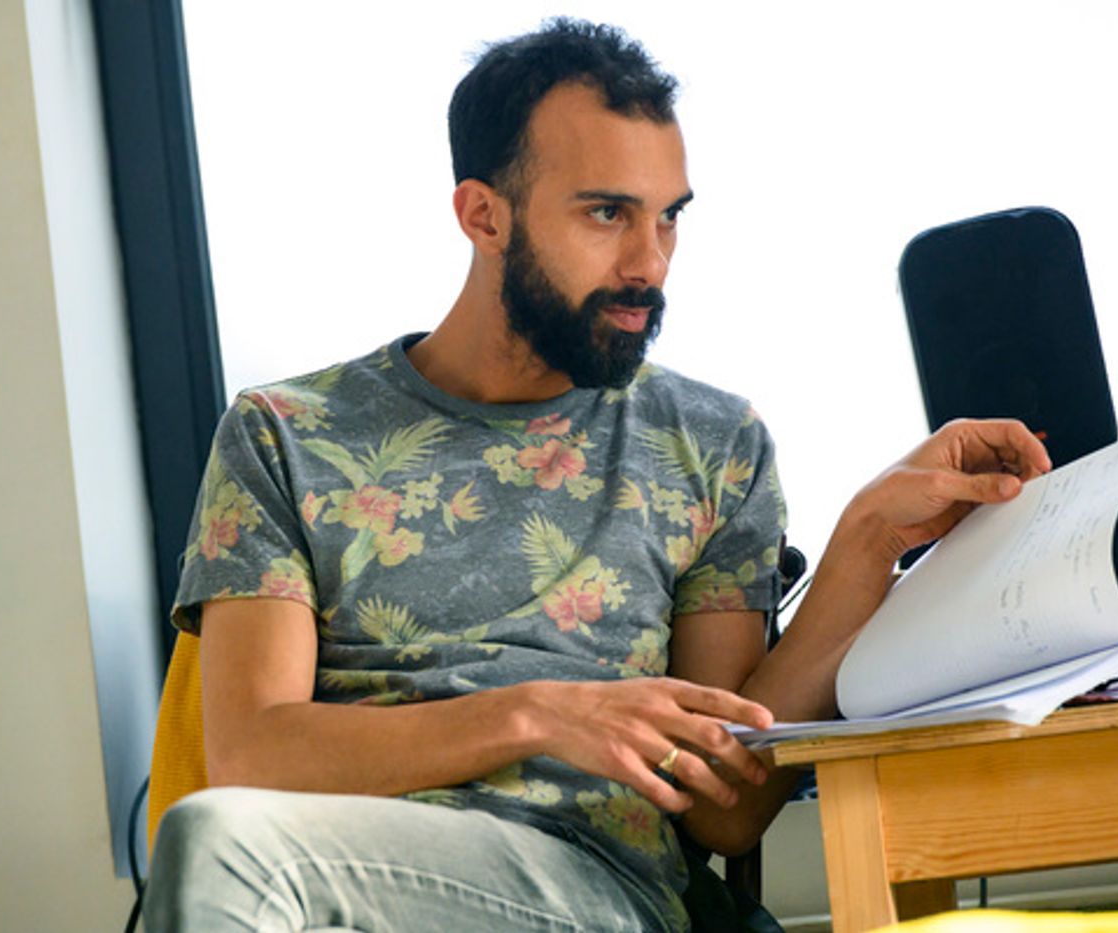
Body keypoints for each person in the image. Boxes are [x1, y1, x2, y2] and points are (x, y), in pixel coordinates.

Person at [142, 18, 1051, 933]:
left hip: (588, 892)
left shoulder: (708, 443)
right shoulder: (285, 436)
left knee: (228, 848)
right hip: (320, 872)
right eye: (606, 213)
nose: (649, 264)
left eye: (670, 217)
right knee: (221, 839)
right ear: (483, 215)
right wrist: (539, 713)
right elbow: (253, 753)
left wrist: (867, 540)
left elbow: (725, 805)